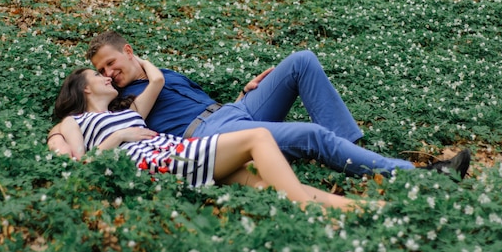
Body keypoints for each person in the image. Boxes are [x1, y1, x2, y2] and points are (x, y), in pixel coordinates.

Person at [59, 31, 469, 179]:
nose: (109, 74)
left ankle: (354, 148)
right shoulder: (125, 102)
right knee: (309, 135)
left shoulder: (163, 74)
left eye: (111, 63)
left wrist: (245, 94)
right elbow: (139, 125)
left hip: (232, 112)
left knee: (301, 61)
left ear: (127, 51)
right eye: (102, 71)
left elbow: (202, 103)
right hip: (211, 134)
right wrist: (147, 71)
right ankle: (418, 176)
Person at [49, 58, 365, 211]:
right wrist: (118, 138)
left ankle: (353, 208)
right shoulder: (73, 122)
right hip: (161, 162)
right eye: (98, 75)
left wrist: (134, 59)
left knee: (263, 180)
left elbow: (156, 80)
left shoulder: (125, 111)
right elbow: (83, 164)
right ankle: (307, 210)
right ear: (84, 88)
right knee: (258, 139)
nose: (107, 78)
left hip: (177, 151)